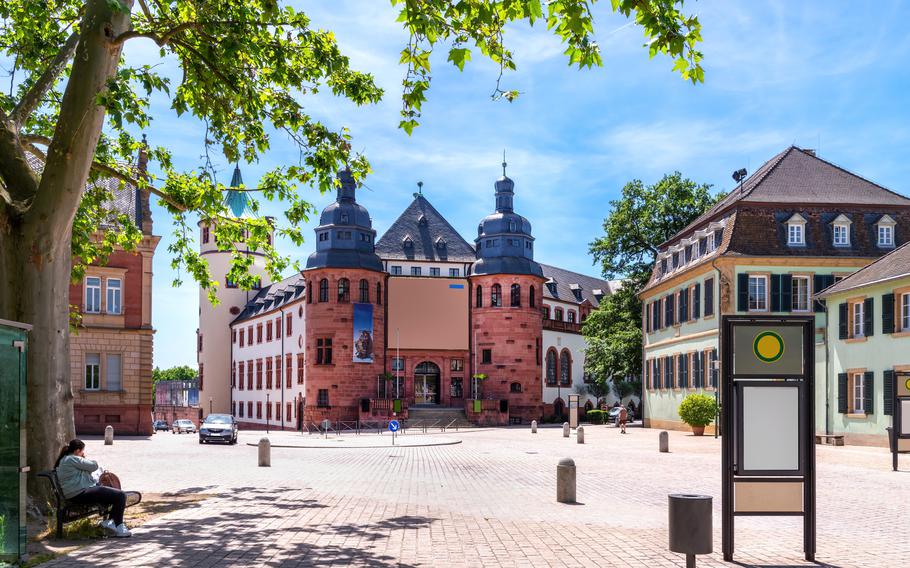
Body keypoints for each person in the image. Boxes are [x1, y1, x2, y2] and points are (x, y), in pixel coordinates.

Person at [54, 439, 131, 537]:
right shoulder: (72, 459)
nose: (83, 453)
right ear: (78, 451)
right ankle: (118, 526)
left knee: (116, 496)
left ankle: (111, 523)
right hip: (80, 493)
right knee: (121, 495)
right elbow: (94, 465)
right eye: (82, 451)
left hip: (78, 492)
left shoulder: (67, 459)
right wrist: (84, 458)